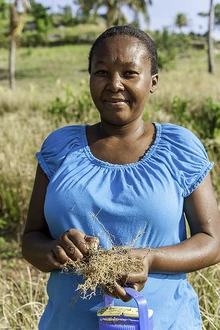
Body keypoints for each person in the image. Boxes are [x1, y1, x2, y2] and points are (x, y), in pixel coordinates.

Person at [22, 25, 220, 330]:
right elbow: (30, 240)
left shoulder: (180, 148)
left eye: (129, 73)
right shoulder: (59, 148)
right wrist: (54, 250)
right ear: (89, 77)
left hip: (166, 322)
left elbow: (212, 241)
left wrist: (150, 258)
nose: (114, 84)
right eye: (102, 72)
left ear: (152, 82)